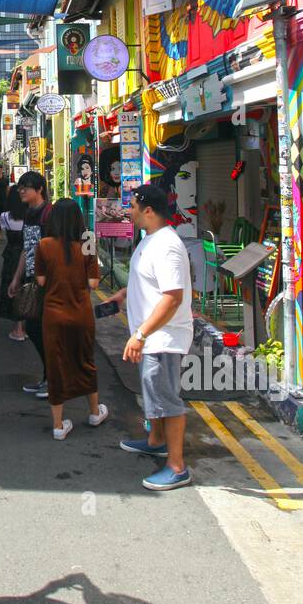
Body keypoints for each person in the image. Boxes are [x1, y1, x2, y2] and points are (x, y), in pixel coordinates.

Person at [117, 184, 194, 490]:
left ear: (148, 210)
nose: (129, 210)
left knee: (166, 401)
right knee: (155, 395)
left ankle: (177, 466)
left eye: (133, 205)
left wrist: (141, 333)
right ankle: (156, 440)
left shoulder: (167, 245)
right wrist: (125, 294)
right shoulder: (150, 239)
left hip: (162, 337)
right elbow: (148, 280)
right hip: (151, 335)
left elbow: (172, 297)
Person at [35, 200, 107, 440]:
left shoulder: (44, 245)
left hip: (54, 314)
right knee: (85, 360)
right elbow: (94, 283)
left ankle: (58, 425)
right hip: (81, 313)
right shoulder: (87, 243)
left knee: (56, 365)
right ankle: (95, 412)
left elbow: (41, 282)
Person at [8, 171, 53, 397]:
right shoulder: (29, 213)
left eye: (26, 187)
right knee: (34, 328)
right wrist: (17, 277)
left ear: (40, 189)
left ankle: (52, 380)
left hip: (48, 283)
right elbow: (28, 248)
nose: (21, 191)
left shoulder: (49, 214)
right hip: (32, 280)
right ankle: (48, 377)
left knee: (42, 330)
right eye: (20, 187)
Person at [0, 182, 27, 340]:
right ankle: (24, 327)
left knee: (12, 288)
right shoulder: (30, 215)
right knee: (26, 288)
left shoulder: (5, 217)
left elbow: (4, 232)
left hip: (11, 256)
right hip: (28, 255)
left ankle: (18, 329)